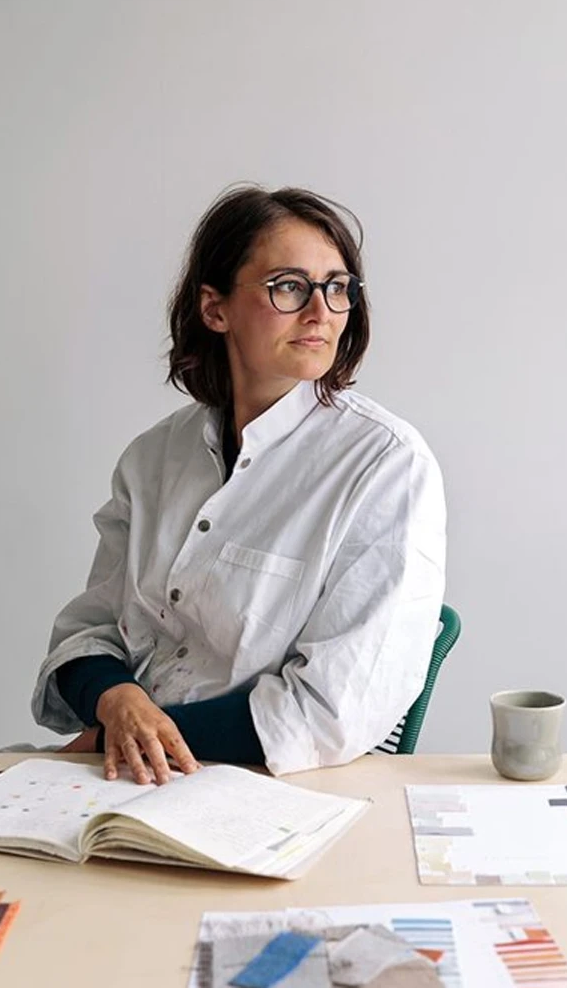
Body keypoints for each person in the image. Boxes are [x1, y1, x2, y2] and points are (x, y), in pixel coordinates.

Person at [31, 185, 446, 784]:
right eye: (289, 286)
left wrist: (121, 736)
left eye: (337, 287)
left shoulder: (386, 465)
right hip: (121, 773)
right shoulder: (154, 458)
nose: (321, 311)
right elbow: (87, 632)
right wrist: (117, 703)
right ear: (215, 309)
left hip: (264, 788)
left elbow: (330, 709)